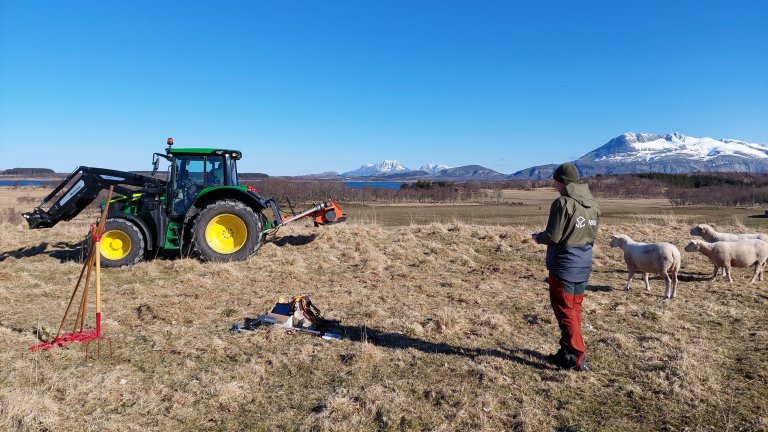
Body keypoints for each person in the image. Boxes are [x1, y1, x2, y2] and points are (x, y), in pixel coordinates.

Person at [531, 163, 600, 371]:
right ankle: (567, 353)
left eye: (555, 180)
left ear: (561, 181)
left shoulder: (562, 203)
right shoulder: (592, 205)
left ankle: (578, 356)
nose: (553, 184)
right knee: (574, 308)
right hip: (583, 262)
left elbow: (553, 235)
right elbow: (592, 236)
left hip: (564, 265)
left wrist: (538, 238)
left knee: (564, 309)